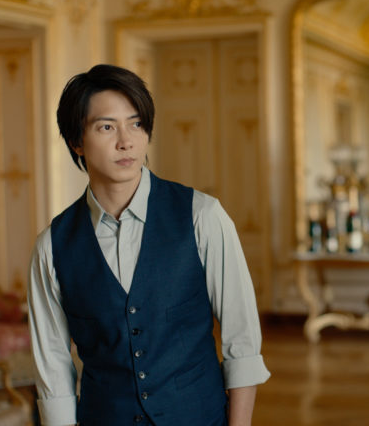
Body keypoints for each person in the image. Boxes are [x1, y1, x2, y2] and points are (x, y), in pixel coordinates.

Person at [27, 64, 270, 426]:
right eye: (106, 127)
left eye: (136, 123)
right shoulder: (52, 246)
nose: (126, 141)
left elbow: (242, 337)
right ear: (77, 141)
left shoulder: (202, 216)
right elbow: (52, 368)